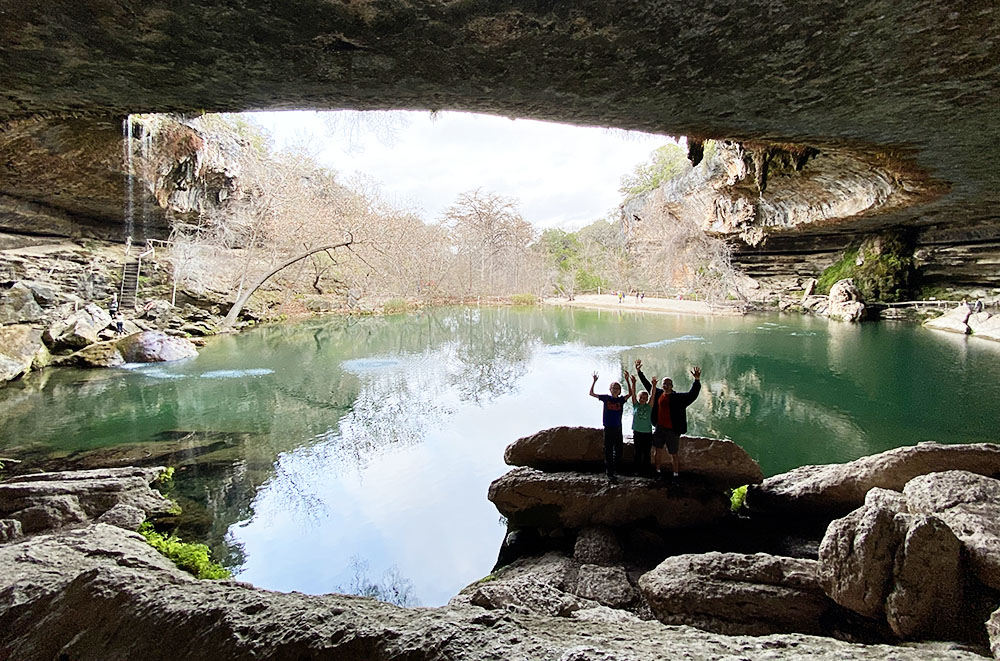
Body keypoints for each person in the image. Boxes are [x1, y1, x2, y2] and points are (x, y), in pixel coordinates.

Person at [635, 359, 701, 478]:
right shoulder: (659, 394)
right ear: (662, 385)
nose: (666, 386)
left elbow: (692, 395)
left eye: (668, 384)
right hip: (660, 428)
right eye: (664, 384)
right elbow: (648, 385)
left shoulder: (678, 398)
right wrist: (639, 372)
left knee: (674, 453)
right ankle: (657, 471)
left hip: (673, 430)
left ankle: (676, 474)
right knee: (657, 450)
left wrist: (696, 380)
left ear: (672, 386)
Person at [590, 371, 632, 482]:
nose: (615, 390)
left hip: (618, 427)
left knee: (619, 450)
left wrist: (627, 380)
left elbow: (630, 394)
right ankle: (610, 473)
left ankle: (616, 470)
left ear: (619, 391)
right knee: (608, 450)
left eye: (617, 388)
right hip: (608, 427)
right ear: (610, 389)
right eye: (613, 388)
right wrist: (594, 381)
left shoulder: (620, 400)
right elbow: (591, 393)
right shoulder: (606, 398)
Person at [624, 371, 653, 476]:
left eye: (645, 398)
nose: (642, 399)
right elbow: (633, 392)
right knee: (638, 452)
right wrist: (633, 383)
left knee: (646, 453)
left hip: (647, 433)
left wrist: (653, 386)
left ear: (647, 400)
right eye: (641, 397)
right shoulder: (635, 405)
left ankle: (647, 471)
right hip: (637, 432)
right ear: (638, 398)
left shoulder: (649, 407)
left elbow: (653, 396)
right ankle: (637, 470)